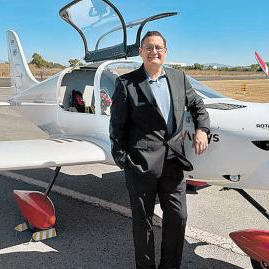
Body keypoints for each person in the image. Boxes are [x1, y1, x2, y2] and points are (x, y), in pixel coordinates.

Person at [109, 31, 210, 269]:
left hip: (173, 161)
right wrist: (124, 161)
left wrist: (202, 129)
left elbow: (197, 105)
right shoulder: (126, 83)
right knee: (142, 223)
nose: (154, 52)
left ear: (165, 52)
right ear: (141, 52)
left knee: (178, 217)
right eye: (149, 48)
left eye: (159, 48)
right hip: (141, 164)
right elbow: (117, 126)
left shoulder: (179, 78)